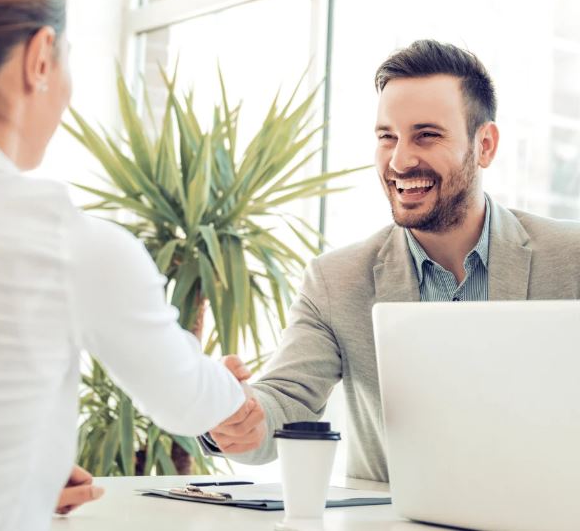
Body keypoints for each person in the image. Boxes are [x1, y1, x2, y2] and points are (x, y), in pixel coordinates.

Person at [0, 0, 257, 531]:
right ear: (39, 58)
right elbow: (185, 400)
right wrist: (221, 384)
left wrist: (15, 468)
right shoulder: (70, 244)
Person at [202, 39, 580, 481]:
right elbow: (285, 401)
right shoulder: (336, 281)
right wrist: (235, 417)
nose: (400, 160)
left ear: (485, 146)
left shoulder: (570, 259)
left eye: (427, 135)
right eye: (387, 137)